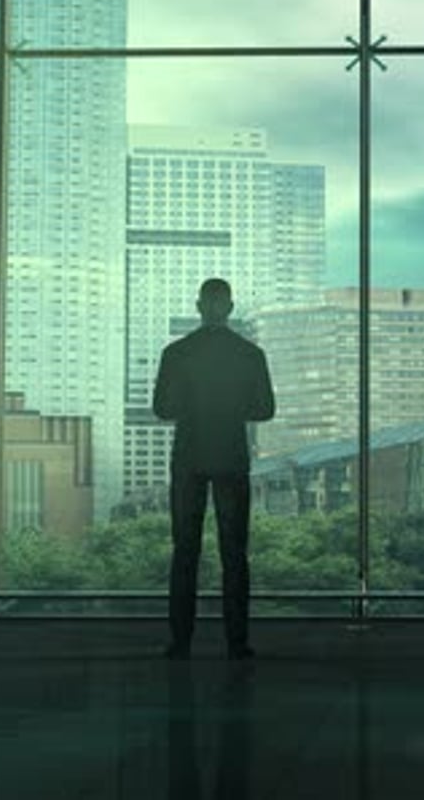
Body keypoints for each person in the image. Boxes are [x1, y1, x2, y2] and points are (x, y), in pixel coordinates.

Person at [153, 278, 275, 660]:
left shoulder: (177, 353)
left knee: (184, 551)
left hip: (189, 458)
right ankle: (237, 642)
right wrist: (233, 407)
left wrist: (193, 404)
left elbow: (162, 409)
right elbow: (265, 410)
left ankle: (181, 641)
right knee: (235, 553)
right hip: (231, 457)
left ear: (199, 306)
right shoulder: (250, 354)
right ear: (230, 308)